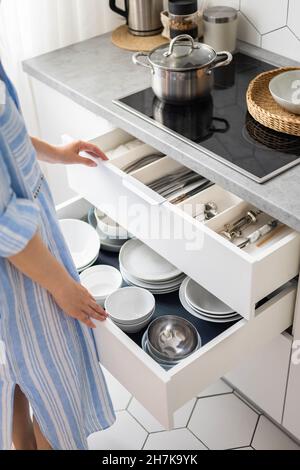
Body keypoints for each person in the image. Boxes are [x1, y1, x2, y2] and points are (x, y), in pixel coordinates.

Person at [0, 54, 116, 449]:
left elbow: (6, 139)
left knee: (15, 384)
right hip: (21, 266)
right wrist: (61, 286)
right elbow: (5, 226)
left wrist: (56, 153)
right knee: (53, 392)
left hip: (24, 250)